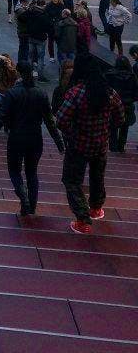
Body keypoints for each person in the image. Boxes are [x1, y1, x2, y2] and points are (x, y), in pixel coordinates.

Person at [0, 62, 64, 215]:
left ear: (18, 74)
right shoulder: (41, 93)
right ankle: (31, 206)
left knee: (14, 171)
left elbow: (0, 118)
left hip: (17, 137)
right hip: (35, 138)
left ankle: (23, 197)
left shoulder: (12, 93)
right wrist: (59, 142)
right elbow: (49, 121)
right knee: (32, 173)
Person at [56, 54, 124, 233]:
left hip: (79, 145)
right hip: (101, 144)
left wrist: (73, 133)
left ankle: (82, 219)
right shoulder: (110, 93)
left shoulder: (76, 93)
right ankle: (96, 208)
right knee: (97, 176)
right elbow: (120, 118)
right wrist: (106, 129)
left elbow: (61, 120)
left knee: (72, 180)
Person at [106, 56, 138, 152]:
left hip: (113, 104)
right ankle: (121, 146)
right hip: (127, 104)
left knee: (113, 126)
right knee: (125, 127)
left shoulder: (109, 75)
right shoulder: (132, 77)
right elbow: (136, 93)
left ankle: (113, 147)